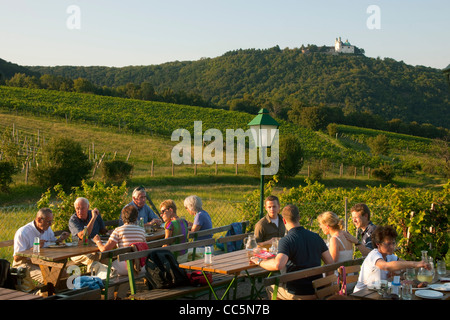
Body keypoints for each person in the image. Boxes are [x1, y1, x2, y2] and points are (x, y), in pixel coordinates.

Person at [251, 204, 334, 300]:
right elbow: (330, 262)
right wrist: (326, 286)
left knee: (271, 288)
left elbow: (278, 265)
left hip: (297, 293)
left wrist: (259, 261)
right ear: (299, 218)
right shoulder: (316, 237)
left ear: (284, 220)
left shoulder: (286, 241)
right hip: (317, 290)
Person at [353, 225, 431, 293]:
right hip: (362, 294)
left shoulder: (389, 255)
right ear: (378, 244)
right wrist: (416, 264)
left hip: (377, 292)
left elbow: (404, 265)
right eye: (388, 244)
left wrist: (400, 274)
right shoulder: (374, 255)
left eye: (393, 243)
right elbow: (386, 266)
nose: (392, 247)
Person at [13, 208, 69, 292]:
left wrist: (60, 239)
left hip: (42, 261)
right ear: (39, 219)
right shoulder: (23, 232)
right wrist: (35, 247)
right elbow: (16, 258)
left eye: (51, 221)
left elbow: (52, 242)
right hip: (25, 263)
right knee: (50, 278)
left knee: (64, 274)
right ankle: (43, 294)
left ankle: (61, 295)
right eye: (48, 221)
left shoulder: (47, 229)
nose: (50, 224)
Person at [93, 204, 146, 275]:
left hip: (125, 268)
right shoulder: (141, 230)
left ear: (122, 217)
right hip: (141, 266)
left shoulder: (119, 230)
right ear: (136, 218)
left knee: (101, 265)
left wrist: (98, 241)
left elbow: (104, 250)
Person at [68, 197, 109, 269]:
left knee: (105, 256)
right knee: (93, 258)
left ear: (88, 207)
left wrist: (112, 232)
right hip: (77, 252)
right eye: (77, 208)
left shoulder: (95, 214)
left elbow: (103, 231)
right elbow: (83, 236)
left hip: (94, 248)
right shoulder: (73, 220)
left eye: (82, 208)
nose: (79, 211)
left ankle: (107, 278)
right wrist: (93, 219)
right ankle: (90, 279)